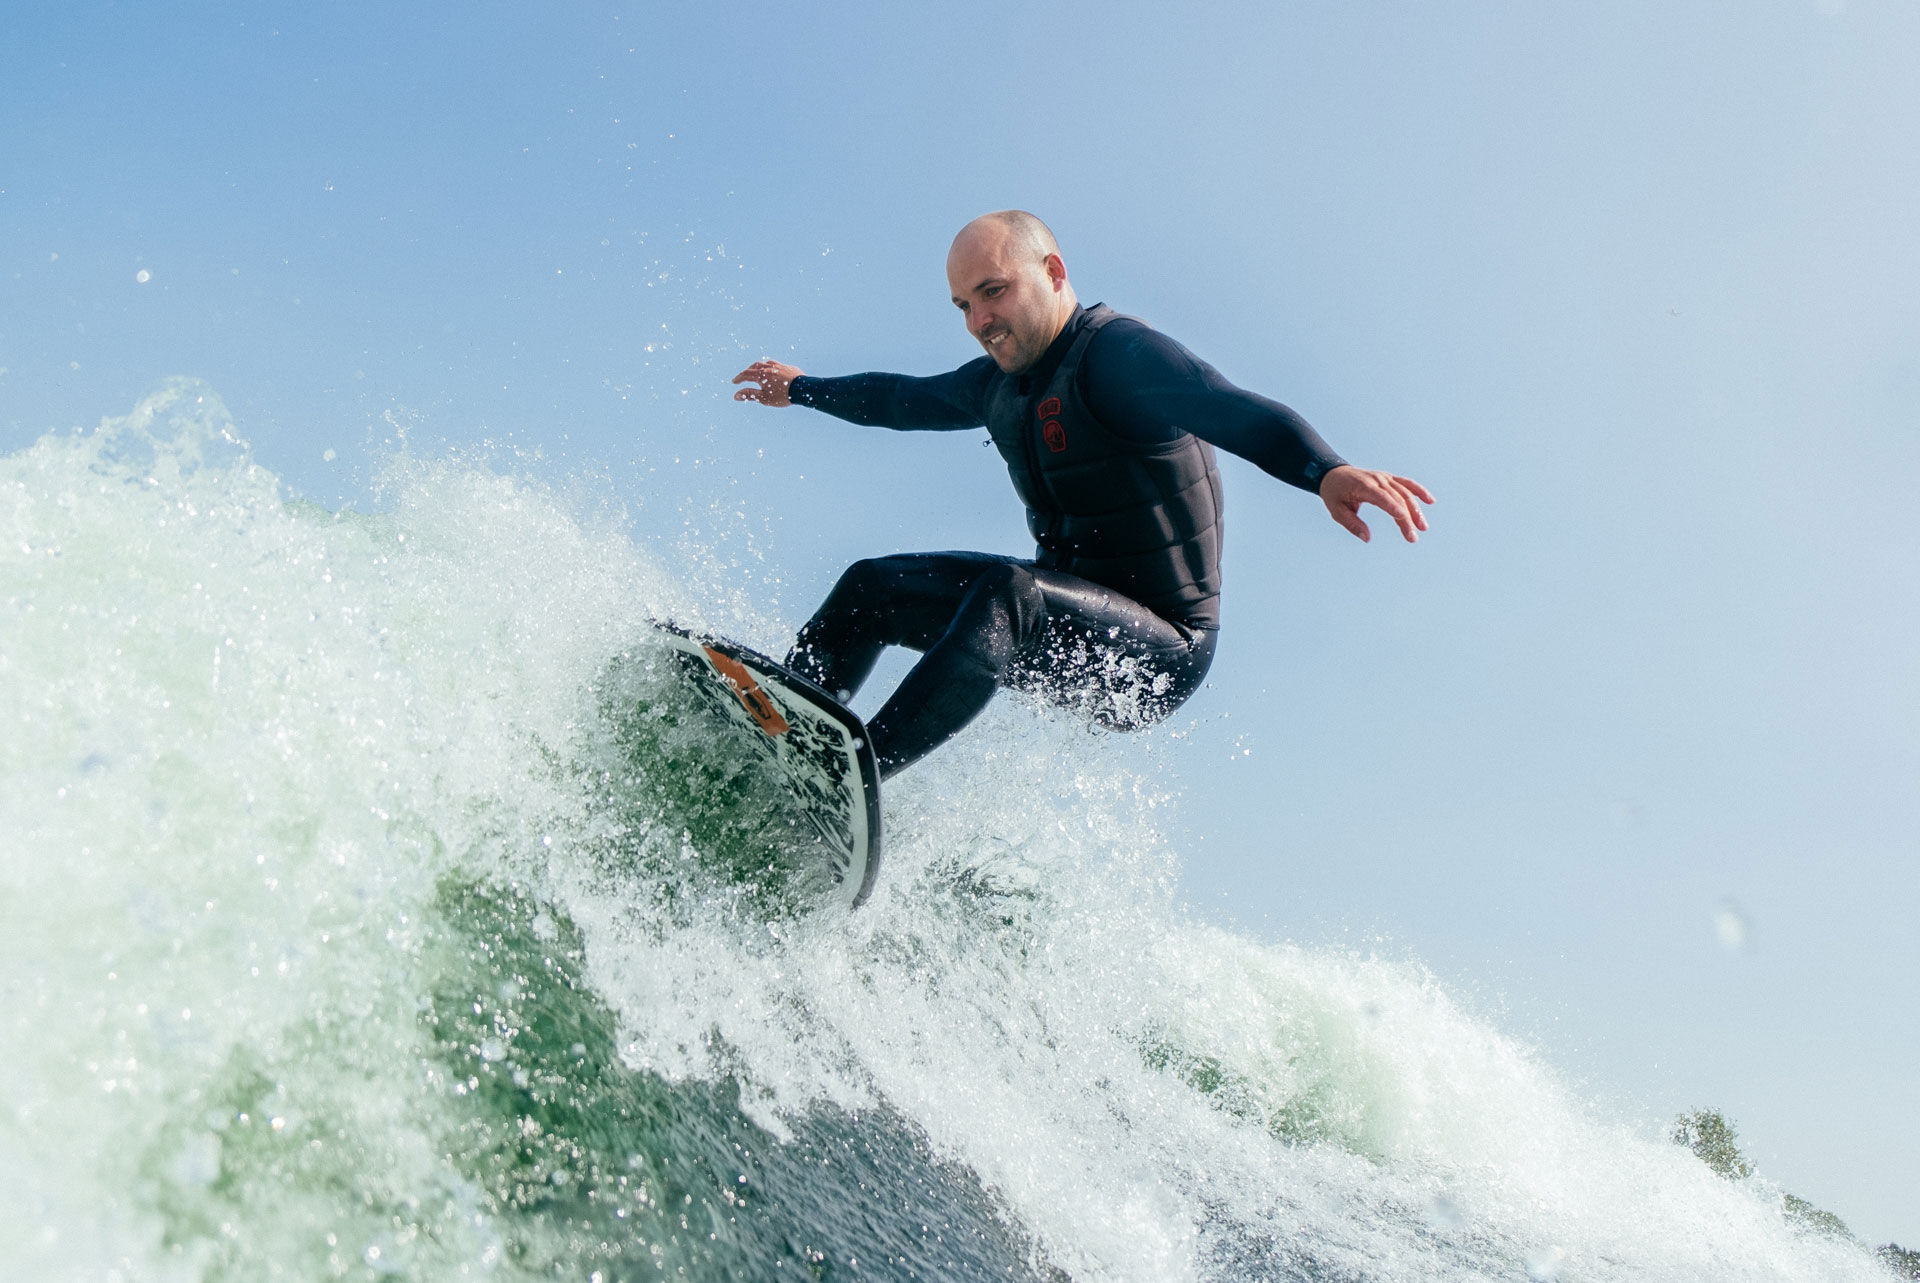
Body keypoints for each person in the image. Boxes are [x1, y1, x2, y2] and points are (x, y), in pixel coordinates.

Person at [731, 210, 1432, 780]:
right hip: (1057, 614)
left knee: (1009, 590)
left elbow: (1228, 405)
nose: (979, 320)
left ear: (1054, 272)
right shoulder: (995, 384)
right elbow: (902, 399)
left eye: (994, 291)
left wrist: (1325, 470)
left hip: (1160, 652)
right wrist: (802, 389)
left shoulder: (1120, 357)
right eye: (964, 305)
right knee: (870, 586)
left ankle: (850, 776)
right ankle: (779, 735)